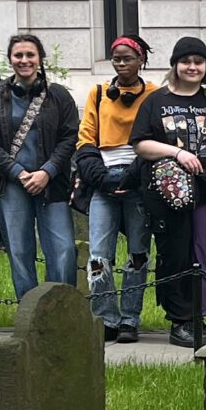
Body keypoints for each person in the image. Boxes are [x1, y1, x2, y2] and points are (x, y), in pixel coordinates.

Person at [132, 37, 206, 345]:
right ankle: (179, 320)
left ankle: (199, 316)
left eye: (198, 62)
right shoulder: (156, 101)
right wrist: (176, 153)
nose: (192, 67)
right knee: (175, 254)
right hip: (169, 195)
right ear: (175, 65)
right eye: (186, 61)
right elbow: (140, 143)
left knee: (203, 252)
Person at [0, 33, 80, 297]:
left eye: (30, 55)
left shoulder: (58, 96)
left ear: (40, 58)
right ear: (10, 59)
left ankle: (61, 310)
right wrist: (18, 172)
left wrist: (48, 171)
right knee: (20, 252)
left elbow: (70, 137)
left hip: (51, 183)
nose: (24, 60)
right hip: (11, 185)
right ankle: (29, 314)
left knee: (63, 248)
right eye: (18, 55)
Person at [75, 35, 153, 342]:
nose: (121, 64)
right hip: (102, 180)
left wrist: (132, 177)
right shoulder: (97, 94)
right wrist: (103, 178)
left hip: (138, 177)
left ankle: (130, 318)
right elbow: (84, 140)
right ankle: (105, 316)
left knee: (138, 253)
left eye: (128, 58)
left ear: (141, 60)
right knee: (98, 255)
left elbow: (157, 136)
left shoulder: (154, 95)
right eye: (116, 59)